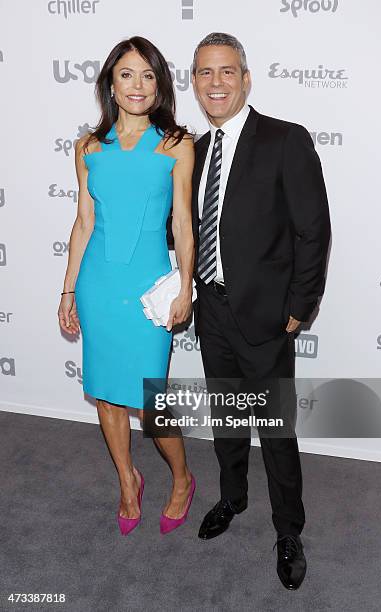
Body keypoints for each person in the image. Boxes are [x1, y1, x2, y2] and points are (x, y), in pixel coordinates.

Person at [191, 33, 331, 589]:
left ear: (246, 78)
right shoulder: (194, 152)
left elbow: (312, 229)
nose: (217, 82)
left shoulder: (284, 140)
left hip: (268, 316)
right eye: (205, 72)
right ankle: (232, 498)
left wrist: (300, 304)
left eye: (227, 71)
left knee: (274, 429)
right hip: (212, 309)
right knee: (226, 417)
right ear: (195, 82)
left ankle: (289, 530)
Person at [58, 36, 196, 536]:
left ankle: (181, 479)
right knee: (107, 396)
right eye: (126, 75)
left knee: (149, 400)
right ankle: (127, 480)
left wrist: (185, 286)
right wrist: (69, 290)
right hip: (98, 283)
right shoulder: (89, 147)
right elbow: (83, 224)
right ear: (110, 85)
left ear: (158, 85)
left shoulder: (176, 144)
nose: (137, 85)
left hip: (147, 288)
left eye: (147, 75)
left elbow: (183, 222)